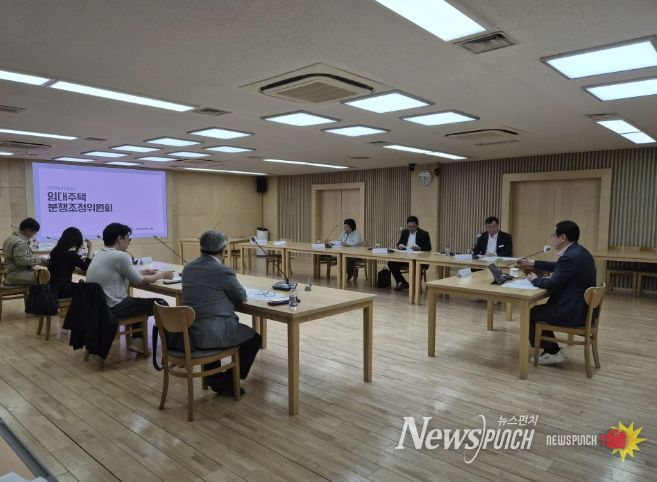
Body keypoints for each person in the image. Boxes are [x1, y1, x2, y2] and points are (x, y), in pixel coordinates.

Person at [178, 231, 261, 396]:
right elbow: (240, 296)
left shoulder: (188, 268)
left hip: (191, 332)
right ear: (223, 251)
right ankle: (228, 380)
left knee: (209, 325)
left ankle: (214, 377)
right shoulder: (222, 271)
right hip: (213, 333)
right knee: (255, 339)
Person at [516, 220, 596, 365]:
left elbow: (553, 285)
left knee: (531, 313)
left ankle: (552, 352)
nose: (551, 238)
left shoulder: (570, 256)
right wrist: (531, 262)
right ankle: (552, 350)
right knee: (537, 311)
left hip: (573, 311)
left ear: (563, 237)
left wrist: (534, 279)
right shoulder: (579, 251)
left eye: (553, 235)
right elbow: (558, 266)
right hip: (583, 308)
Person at [86, 222, 173, 353]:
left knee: (136, 303)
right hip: (113, 308)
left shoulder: (99, 254)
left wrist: (143, 272)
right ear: (119, 238)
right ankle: (171, 346)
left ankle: (138, 342)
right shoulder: (120, 256)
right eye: (128, 238)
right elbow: (138, 281)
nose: (129, 242)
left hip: (97, 308)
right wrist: (162, 275)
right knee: (161, 303)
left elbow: (122, 273)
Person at [388, 216, 432, 291]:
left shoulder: (424, 234)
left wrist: (419, 248)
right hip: (405, 259)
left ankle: (416, 287)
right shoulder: (405, 232)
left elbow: (428, 248)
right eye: (409, 226)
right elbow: (399, 244)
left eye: (413, 227)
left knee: (417, 266)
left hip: (418, 260)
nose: (411, 229)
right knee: (391, 263)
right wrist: (400, 246)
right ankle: (403, 283)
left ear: (417, 225)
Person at [47, 227, 93, 298]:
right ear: (76, 241)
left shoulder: (55, 251)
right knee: (91, 289)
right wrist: (90, 248)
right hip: (63, 290)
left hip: (51, 288)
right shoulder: (72, 254)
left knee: (81, 284)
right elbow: (86, 267)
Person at [1, 217, 41, 286]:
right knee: (45, 276)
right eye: (34, 233)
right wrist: (39, 260)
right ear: (28, 230)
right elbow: (21, 261)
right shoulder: (20, 242)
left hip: (11, 274)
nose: (33, 235)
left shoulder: (9, 239)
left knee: (42, 273)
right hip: (18, 276)